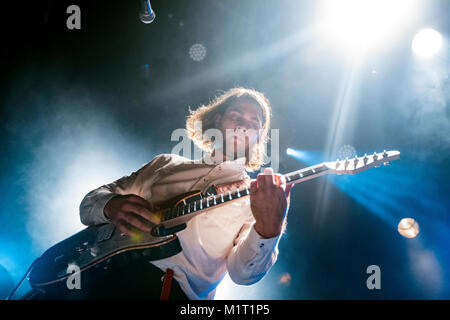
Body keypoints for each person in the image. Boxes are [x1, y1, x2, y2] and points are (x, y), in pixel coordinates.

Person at [78, 87, 293, 300]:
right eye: (235, 115)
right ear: (217, 120)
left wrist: (269, 230)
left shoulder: (256, 199)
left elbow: (243, 274)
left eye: (253, 122)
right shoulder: (165, 163)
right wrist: (110, 204)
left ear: (259, 136)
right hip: (96, 275)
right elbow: (89, 204)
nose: (242, 126)